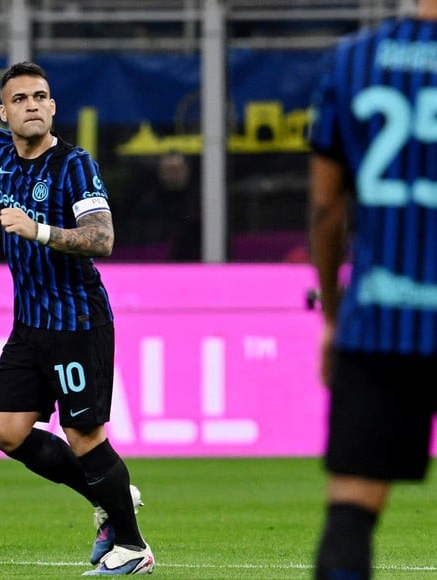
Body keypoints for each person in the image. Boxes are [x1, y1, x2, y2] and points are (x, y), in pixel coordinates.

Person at [0, 31, 155, 575]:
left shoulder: (75, 165)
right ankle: (111, 497)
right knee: (5, 430)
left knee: (84, 436)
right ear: (4, 113)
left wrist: (38, 230)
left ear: (53, 107)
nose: (32, 106)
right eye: (20, 99)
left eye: (40, 97)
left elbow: (102, 239)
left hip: (77, 320)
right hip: (30, 324)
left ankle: (132, 545)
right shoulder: (0, 153)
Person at [308, 2, 437, 578]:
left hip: (379, 319)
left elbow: (326, 207)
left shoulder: (353, 60)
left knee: (353, 508)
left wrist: (334, 317)